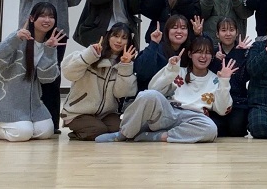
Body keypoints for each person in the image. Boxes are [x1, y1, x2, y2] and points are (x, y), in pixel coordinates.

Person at [95, 35, 238, 143]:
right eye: (198, 52)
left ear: (212, 56)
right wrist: (170, 70)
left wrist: (224, 81)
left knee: (211, 129)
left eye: (207, 53)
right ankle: (123, 134)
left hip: (193, 118)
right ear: (190, 54)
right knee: (147, 94)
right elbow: (154, 88)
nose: (203, 56)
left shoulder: (215, 79)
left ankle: (155, 137)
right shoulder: (179, 71)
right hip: (169, 112)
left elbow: (222, 110)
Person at [14, 0, 82, 133]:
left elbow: (74, 0)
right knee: (27, 71)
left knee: (52, 74)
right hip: (31, 29)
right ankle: (23, 117)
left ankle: (51, 122)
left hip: (57, 31)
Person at [0, 2, 65, 141]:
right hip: (5, 99)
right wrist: (15, 39)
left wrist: (49, 51)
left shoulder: (49, 43)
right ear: (31, 18)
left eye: (51, 16)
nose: (47, 20)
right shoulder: (18, 37)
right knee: (22, 133)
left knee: (46, 131)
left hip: (31, 103)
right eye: (42, 16)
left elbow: (46, 78)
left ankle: (22, 125)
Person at [61, 23, 138, 140]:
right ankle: (78, 133)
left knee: (123, 128)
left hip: (105, 114)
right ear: (108, 37)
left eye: (124, 38)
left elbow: (121, 93)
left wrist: (125, 66)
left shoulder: (125, 63)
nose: (119, 41)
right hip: (77, 112)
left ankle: (91, 129)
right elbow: (68, 73)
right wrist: (89, 55)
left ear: (129, 42)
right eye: (115, 36)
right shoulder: (92, 54)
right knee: (98, 130)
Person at [208, 17, 253, 137]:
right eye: (223, 30)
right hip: (216, 101)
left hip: (238, 101)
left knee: (237, 129)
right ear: (217, 34)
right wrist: (215, 60)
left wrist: (240, 55)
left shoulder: (244, 51)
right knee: (216, 129)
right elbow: (209, 78)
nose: (228, 34)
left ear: (237, 32)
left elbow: (244, 78)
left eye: (231, 30)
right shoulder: (212, 53)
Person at [134, 15, 192, 92]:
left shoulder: (189, 53)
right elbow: (143, 73)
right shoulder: (156, 49)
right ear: (167, 31)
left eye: (183, 28)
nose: (179, 31)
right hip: (152, 95)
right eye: (174, 27)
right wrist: (154, 43)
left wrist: (199, 34)